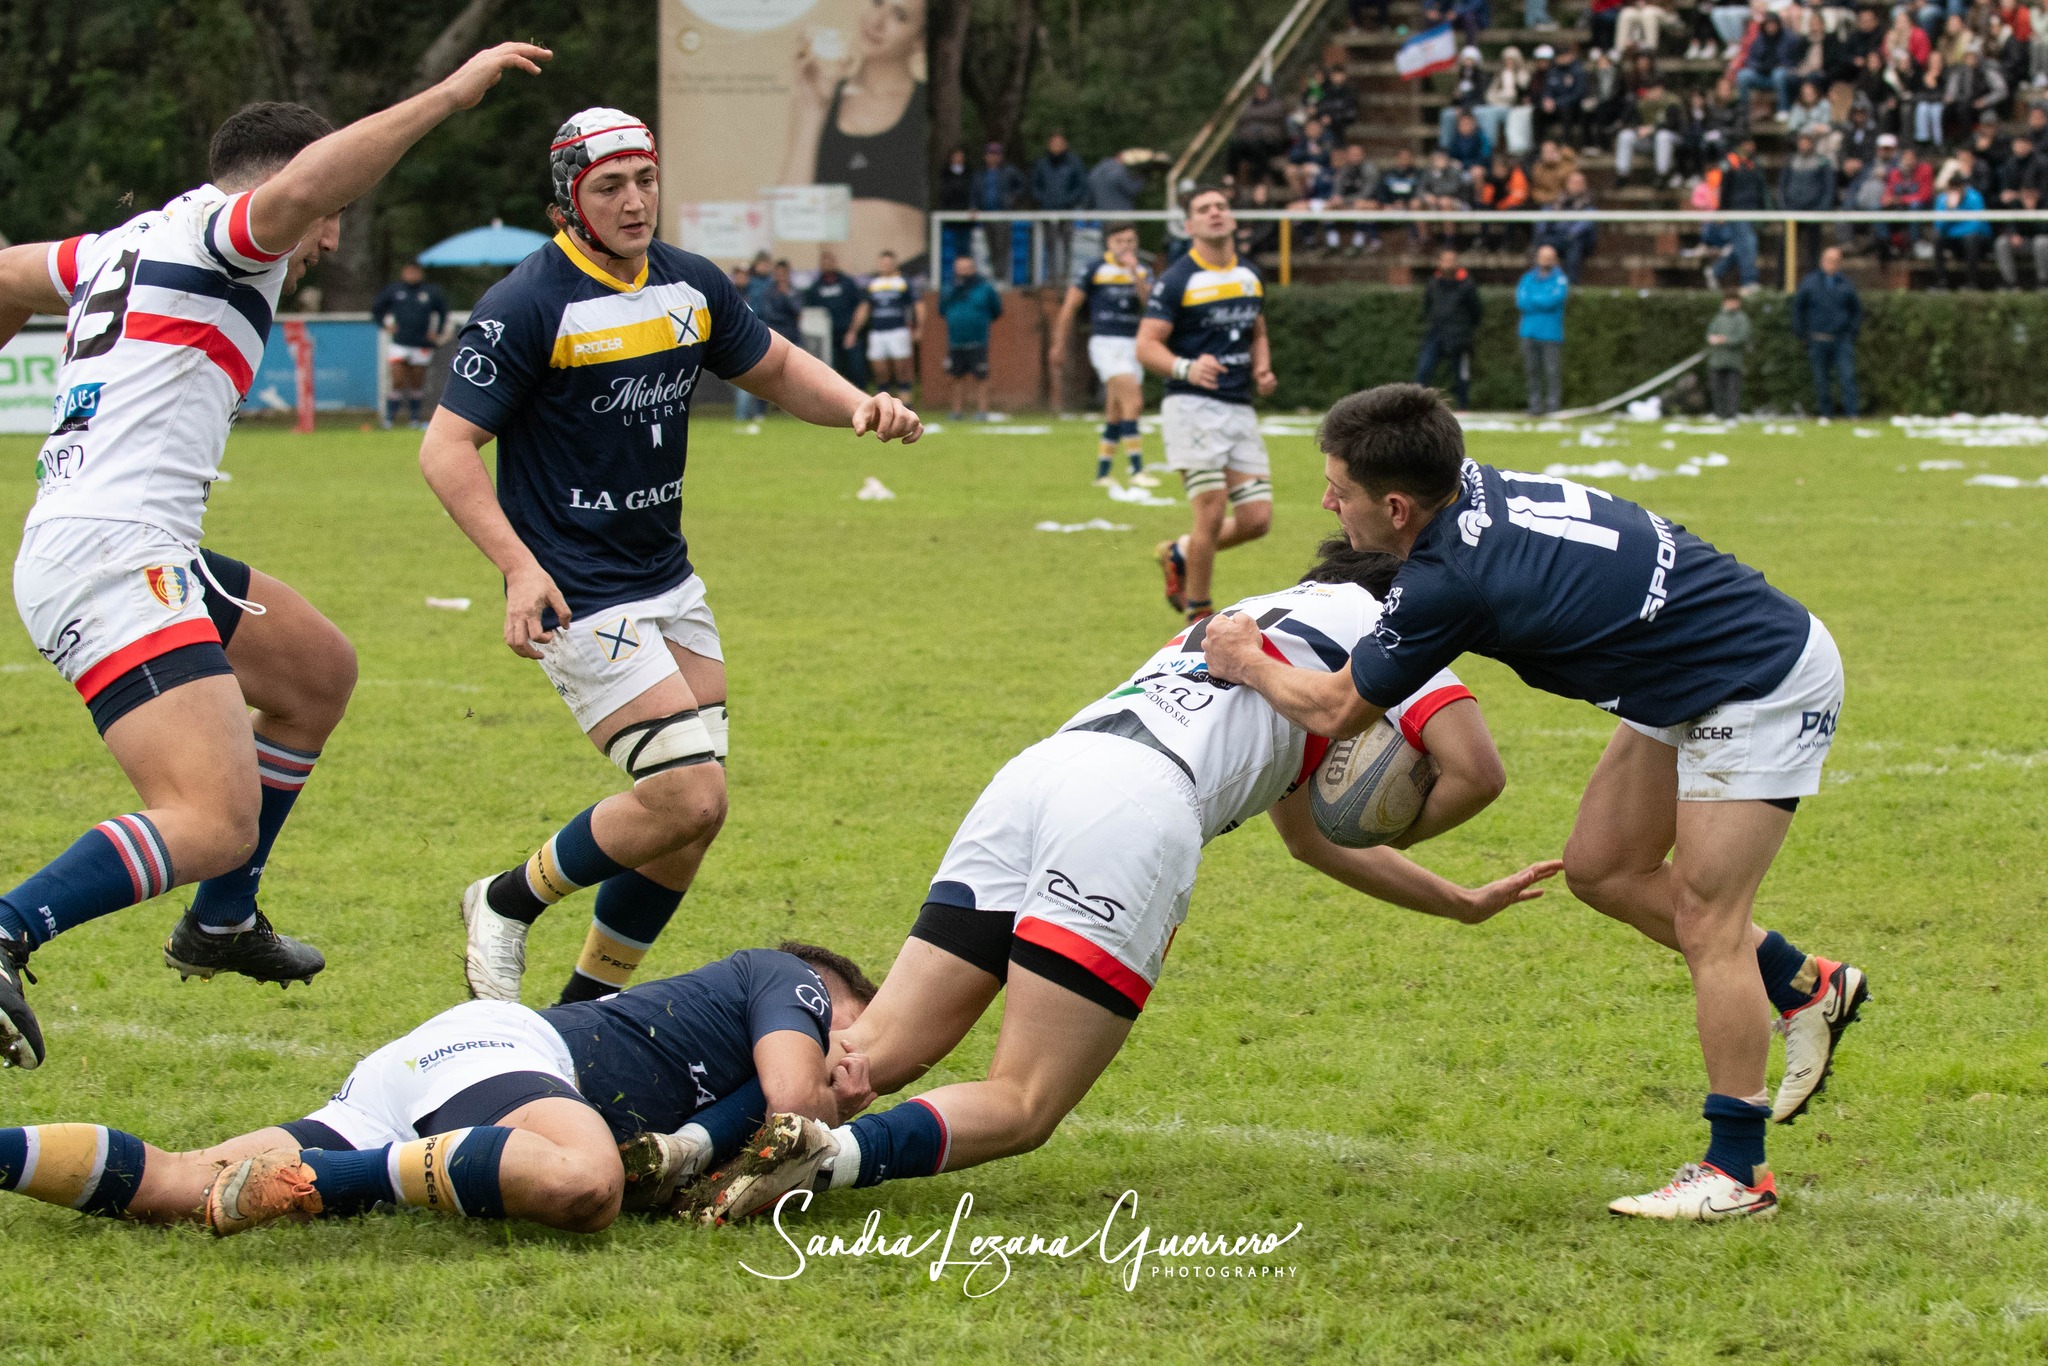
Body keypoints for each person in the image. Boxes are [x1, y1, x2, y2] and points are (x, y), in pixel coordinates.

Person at [672, 544, 1564, 1226]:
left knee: (874, 1053)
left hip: (1040, 774)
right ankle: (821, 1163)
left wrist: (1457, 900)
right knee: (1025, 1102)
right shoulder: (1389, 631)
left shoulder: (1253, 617)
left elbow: (1308, 842)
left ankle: (684, 1146)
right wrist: (1401, 818)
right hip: (1136, 808)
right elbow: (1476, 772)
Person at [0, 43, 553, 1070]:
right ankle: (5, 929)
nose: (326, 238)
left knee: (314, 672)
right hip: (115, 555)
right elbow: (298, 192)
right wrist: (446, 94)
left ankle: (222, 920)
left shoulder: (118, 242)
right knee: (211, 817)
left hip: (117, 539)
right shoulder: (227, 235)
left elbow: (5, 275)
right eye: (330, 215)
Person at [1198, 383, 1869, 1222]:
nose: (1329, 505)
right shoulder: (1466, 485)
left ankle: (1739, 1173)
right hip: (1680, 667)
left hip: (1757, 678)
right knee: (1602, 870)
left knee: (1710, 921)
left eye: (1340, 491)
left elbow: (1337, 710)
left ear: (1398, 506)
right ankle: (1807, 984)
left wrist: (1246, 659)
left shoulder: (1451, 580)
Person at [420, 109, 923, 1008]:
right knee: (689, 795)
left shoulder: (690, 283)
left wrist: (855, 404)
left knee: (688, 823)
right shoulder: (527, 304)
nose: (634, 201)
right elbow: (446, 449)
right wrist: (520, 568)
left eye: (645, 180)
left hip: (667, 579)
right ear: (569, 200)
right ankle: (503, 899)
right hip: (577, 588)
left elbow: (775, 368)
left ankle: (583, 1013)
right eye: (609, 186)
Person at [0, 942, 877, 1236]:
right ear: (825, 993)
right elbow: (792, 1109)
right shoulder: (786, 978)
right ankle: (324, 1181)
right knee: (584, 1183)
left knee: (179, 1186)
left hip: (429, 1079)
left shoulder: (732, 1075)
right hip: (496, 1052)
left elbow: (740, 1150)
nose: (857, 1050)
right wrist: (837, 1097)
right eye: (853, 1027)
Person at [1137, 186, 1278, 626]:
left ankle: (1180, 552)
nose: (1215, 213)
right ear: (1190, 225)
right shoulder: (1177, 279)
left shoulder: (1250, 274)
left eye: (1221, 206)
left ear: (1231, 218)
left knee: (1256, 519)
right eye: (1204, 209)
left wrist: (1262, 367)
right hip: (1191, 407)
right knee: (1212, 512)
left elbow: (1257, 331)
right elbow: (1146, 345)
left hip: (1238, 406)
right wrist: (1186, 367)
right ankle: (1198, 615)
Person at [779, 0, 928, 265]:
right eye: (877, 3)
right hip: (834, 278)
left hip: (909, 274)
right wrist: (814, 107)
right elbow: (790, 214)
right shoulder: (824, 96)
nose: (877, 22)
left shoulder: (926, 106)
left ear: (919, 40)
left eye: (899, 16)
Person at [1049, 222, 1155, 486]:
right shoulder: (1094, 269)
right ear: (1109, 243)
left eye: (1131, 241)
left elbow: (1150, 306)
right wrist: (1059, 344)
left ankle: (1103, 473)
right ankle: (1137, 470)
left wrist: (1135, 274)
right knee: (1134, 402)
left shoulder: (1143, 271)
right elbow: (1070, 307)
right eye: (1120, 241)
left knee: (1116, 410)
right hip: (1106, 344)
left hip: (1133, 343)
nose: (1126, 247)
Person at [372, 260, 449, 428]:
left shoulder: (430, 291)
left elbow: (443, 312)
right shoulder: (394, 290)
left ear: (420, 273)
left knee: (416, 380)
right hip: (399, 343)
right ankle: (389, 418)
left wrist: (437, 332)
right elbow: (377, 309)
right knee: (398, 379)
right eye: (408, 271)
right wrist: (385, 325)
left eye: (415, 271)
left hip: (421, 344)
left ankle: (414, 418)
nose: (411, 275)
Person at [1416, 248, 1483, 410]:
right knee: (1424, 369)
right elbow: (1428, 306)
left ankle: (1463, 406)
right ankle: (1417, 404)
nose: (1447, 264)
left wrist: (1464, 328)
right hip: (1436, 333)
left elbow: (1476, 311)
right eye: (1444, 260)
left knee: (1460, 373)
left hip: (1459, 335)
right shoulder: (1433, 283)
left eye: (1451, 260)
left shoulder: (1467, 284)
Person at [938, 253, 1002, 420]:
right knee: (956, 376)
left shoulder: (985, 288)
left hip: (978, 340)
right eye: (960, 268)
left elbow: (996, 310)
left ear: (973, 269)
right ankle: (957, 411)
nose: (963, 272)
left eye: (966, 268)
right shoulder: (949, 289)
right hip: (955, 340)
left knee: (981, 376)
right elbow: (942, 310)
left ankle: (982, 411)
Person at [849, 249, 918, 402]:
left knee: (901, 370)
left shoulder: (903, 282)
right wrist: (853, 330)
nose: (886, 266)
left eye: (889, 263)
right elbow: (864, 308)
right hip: (878, 332)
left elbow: (917, 305)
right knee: (880, 371)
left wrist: (918, 327)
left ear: (894, 264)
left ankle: (906, 405)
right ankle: (883, 404)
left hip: (898, 331)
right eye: (883, 263)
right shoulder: (873, 284)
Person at [1030, 131, 1092, 286]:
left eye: (1059, 143)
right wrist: (1044, 200)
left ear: (1065, 145)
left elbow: (1081, 185)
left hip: (1067, 211)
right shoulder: (1042, 163)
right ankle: (1051, 278)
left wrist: (1068, 201)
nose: (1056, 146)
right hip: (1047, 212)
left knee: (1066, 244)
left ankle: (1065, 278)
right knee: (1049, 245)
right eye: (1054, 143)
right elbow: (1034, 186)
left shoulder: (1074, 163)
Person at [1516, 244, 1570, 417]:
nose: (1546, 260)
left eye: (1549, 257)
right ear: (1537, 258)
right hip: (1528, 332)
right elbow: (1521, 302)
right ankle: (1535, 407)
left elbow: (1554, 301)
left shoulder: (1560, 279)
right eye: (1543, 257)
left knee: (1552, 371)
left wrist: (1534, 300)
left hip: (1550, 333)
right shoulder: (1527, 278)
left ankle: (1553, 406)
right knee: (1532, 371)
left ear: (1555, 260)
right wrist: (1542, 300)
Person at [802, 249, 866, 391]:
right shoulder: (815, 287)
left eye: (830, 261)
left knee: (856, 369)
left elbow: (861, 306)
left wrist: (853, 331)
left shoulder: (847, 283)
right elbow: (809, 314)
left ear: (835, 262)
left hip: (849, 333)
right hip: (826, 338)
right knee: (831, 373)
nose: (827, 264)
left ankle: (861, 397)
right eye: (824, 261)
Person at [1932, 175, 1993, 288]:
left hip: (1978, 240)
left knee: (1970, 238)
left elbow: (1975, 226)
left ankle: (1972, 282)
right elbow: (1939, 226)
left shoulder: (1975, 197)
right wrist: (1949, 209)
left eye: (1957, 189)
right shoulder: (1942, 200)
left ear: (1963, 188)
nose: (1954, 192)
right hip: (1954, 239)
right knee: (1937, 238)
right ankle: (1941, 281)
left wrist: (1953, 229)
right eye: (1951, 189)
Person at [1704, 288, 1751, 419]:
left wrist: (1724, 340)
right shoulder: (1718, 317)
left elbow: (1742, 337)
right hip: (1716, 360)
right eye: (1729, 301)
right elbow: (1710, 333)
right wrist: (1712, 339)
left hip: (1733, 361)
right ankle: (1719, 414)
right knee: (1716, 389)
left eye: (1734, 301)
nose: (1732, 304)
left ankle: (1731, 415)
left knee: (1732, 390)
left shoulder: (1742, 319)